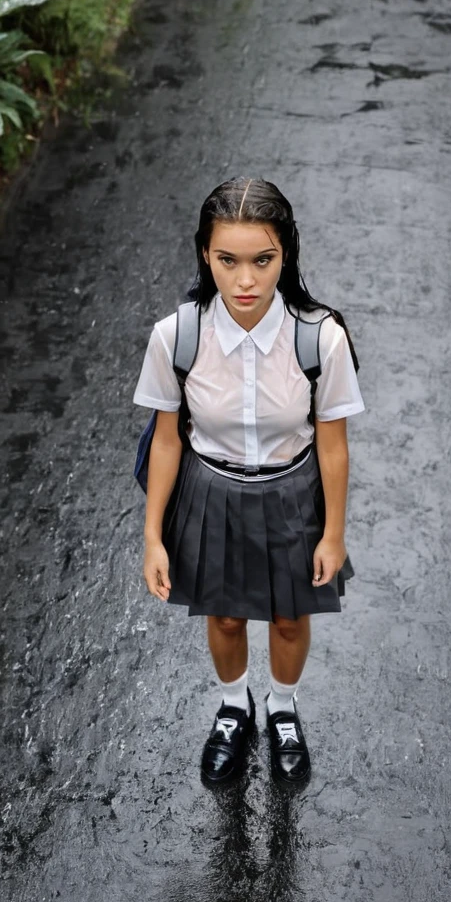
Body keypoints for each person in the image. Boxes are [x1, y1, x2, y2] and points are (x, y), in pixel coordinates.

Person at [132, 177, 366, 787]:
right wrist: (153, 537)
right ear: (204, 255)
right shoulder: (177, 336)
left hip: (294, 492)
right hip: (212, 492)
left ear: (285, 254)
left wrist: (333, 534)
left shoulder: (320, 338)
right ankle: (235, 707)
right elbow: (165, 440)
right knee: (228, 616)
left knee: (290, 618)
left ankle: (282, 710)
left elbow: (334, 448)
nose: (244, 281)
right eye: (227, 260)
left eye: (262, 261)